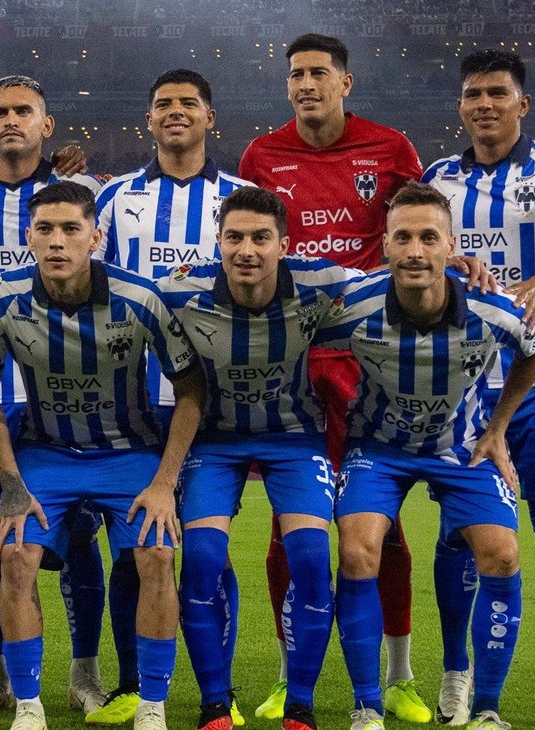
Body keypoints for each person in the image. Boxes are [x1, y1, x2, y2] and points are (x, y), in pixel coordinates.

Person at [237, 33, 427, 722]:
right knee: (291, 528)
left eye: (320, 73)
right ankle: (292, 675)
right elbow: (247, 244)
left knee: (382, 523)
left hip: (369, 362)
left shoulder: (390, 150)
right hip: (289, 365)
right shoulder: (262, 156)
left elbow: (421, 229)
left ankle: (400, 674)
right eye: (297, 74)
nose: (307, 83)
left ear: (346, 83)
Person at [319, 181, 535, 730]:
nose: (416, 251)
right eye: (404, 238)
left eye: (429, 238)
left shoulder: (496, 309)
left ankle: (487, 707)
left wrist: (498, 428)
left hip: (461, 448)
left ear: (452, 247)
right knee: (357, 554)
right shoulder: (352, 308)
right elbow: (292, 336)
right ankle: (368, 705)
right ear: (386, 245)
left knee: (503, 554)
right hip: (378, 448)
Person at [0, 181, 205, 730]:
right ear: (28, 237)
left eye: (71, 229)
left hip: (129, 454)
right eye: (45, 230)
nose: (57, 241)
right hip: (47, 452)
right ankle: (30, 707)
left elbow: (192, 388)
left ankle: (152, 706)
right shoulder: (1, 299)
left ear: (95, 237)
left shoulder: (138, 299)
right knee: (13, 555)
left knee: (157, 557)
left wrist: (164, 481)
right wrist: (10, 482)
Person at [423, 48, 535, 729]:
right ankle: (457, 674)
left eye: (498, 92)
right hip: (462, 387)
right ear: (462, 106)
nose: (485, 104)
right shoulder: (437, 180)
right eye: (473, 94)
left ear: (522, 104)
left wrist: (531, 290)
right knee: (460, 534)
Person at [0, 74, 110, 717]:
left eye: (24, 111)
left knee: (80, 539)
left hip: (67, 396)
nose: (11, 120)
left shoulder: (82, 195)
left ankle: (85, 671)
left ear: (47, 124)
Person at [159, 187, 354, 730]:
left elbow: (394, 282)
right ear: (218, 243)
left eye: (261, 238)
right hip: (215, 442)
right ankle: (215, 702)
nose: (247, 249)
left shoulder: (323, 283)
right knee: (199, 559)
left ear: (283, 245)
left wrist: (459, 267)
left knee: (313, 560)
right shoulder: (178, 293)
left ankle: (301, 705)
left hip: (294, 438)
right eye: (235, 237)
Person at [93, 68, 251, 726]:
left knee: (206, 549)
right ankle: (131, 684)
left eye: (189, 103)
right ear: (149, 120)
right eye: (164, 105)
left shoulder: (244, 198)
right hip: (131, 404)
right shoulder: (114, 201)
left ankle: (220, 692)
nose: (176, 112)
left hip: (214, 405)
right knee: (134, 549)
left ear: (209, 117)